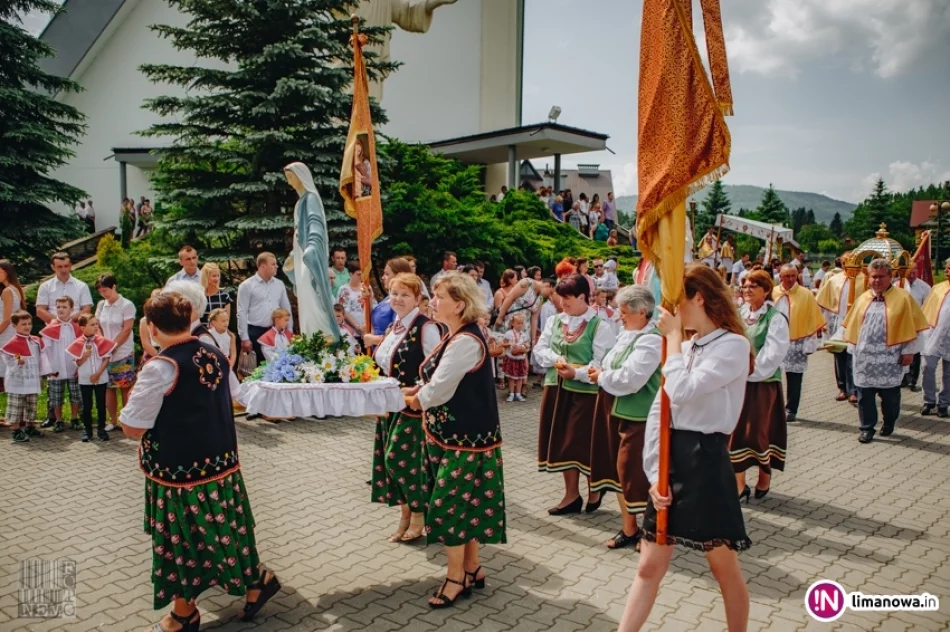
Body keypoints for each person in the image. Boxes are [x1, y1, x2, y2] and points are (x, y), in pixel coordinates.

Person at [120, 292, 280, 631]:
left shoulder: (160, 367)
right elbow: (237, 396)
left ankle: (184, 612)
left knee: (182, 540)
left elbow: (132, 427)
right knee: (229, 528)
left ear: (152, 327)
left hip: (181, 473)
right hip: (221, 465)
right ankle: (256, 580)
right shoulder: (215, 353)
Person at [618, 264, 752, 632]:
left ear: (700, 298)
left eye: (677, 303)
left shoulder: (733, 345)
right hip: (670, 456)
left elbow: (683, 390)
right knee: (648, 566)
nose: (671, 311)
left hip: (705, 460)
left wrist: (674, 338)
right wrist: (654, 474)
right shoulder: (685, 346)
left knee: (723, 567)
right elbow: (659, 412)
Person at [403, 272, 505, 609]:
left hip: (466, 441)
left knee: (448, 509)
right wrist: (416, 390)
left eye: (439, 296)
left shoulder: (465, 341)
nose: (433, 301)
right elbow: (440, 380)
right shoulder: (455, 334)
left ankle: (455, 577)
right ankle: (472, 567)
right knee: (467, 506)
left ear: (459, 304)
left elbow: (441, 388)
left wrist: (415, 399)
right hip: (454, 438)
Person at [534, 274, 617, 515]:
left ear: (582, 297)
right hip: (556, 388)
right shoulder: (556, 320)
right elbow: (540, 349)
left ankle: (595, 488)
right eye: (561, 298)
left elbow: (601, 363)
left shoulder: (599, 325)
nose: (563, 303)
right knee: (562, 442)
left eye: (567, 298)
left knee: (583, 443)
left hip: (586, 393)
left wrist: (576, 373)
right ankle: (571, 495)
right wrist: (556, 359)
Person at [370, 273, 443, 543]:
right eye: (394, 293)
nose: (398, 299)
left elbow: (436, 368)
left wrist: (416, 390)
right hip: (389, 406)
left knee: (400, 460)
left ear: (417, 298)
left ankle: (419, 515)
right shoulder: (394, 327)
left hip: (413, 406)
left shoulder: (425, 327)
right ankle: (405, 515)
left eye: (405, 294)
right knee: (392, 464)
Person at [587, 285, 662, 550]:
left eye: (624, 311)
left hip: (639, 415)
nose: (619, 316)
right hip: (613, 408)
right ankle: (629, 527)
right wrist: (593, 372)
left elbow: (632, 379)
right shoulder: (627, 334)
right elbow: (609, 365)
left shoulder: (652, 339)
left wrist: (602, 377)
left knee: (636, 471)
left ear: (642, 312)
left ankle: (651, 531)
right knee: (618, 471)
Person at [842, 259, 928, 443]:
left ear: (890, 276)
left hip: (890, 358)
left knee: (890, 397)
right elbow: (854, 326)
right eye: (873, 276)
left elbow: (913, 328)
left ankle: (889, 421)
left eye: (881, 276)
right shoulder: (863, 298)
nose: (877, 280)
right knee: (864, 395)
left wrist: (909, 351)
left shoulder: (903, 298)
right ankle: (867, 428)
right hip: (864, 358)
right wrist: (852, 349)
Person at [730, 270, 790, 501]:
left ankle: (765, 476)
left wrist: (748, 372)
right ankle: (739, 484)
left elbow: (773, 354)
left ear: (766, 291)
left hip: (762, 384)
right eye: (744, 286)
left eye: (753, 286)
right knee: (736, 432)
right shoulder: (739, 313)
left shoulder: (775, 318)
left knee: (759, 432)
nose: (747, 290)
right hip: (738, 382)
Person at [283, 162, 340, 340]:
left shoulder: (311, 198)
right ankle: (310, 335)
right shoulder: (300, 202)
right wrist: (293, 255)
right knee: (304, 294)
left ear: (301, 177)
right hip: (300, 252)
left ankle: (324, 332)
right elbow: (299, 231)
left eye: (290, 177)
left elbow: (315, 224)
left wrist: (313, 246)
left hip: (309, 252)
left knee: (312, 290)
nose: (289, 182)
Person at [772, 264, 824, 421]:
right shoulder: (773, 292)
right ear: (780, 277)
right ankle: (773, 408)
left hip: (797, 341)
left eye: (793, 276)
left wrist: (810, 341)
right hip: (775, 341)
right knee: (772, 376)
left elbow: (812, 317)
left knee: (794, 378)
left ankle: (791, 409)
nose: (790, 279)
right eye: (786, 276)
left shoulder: (806, 294)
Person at [95, 274, 136, 432]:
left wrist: (112, 346)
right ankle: (113, 421)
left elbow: (126, 329)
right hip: (105, 353)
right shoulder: (101, 305)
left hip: (123, 352)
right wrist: (103, 343)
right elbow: (98, 326)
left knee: (124, 387)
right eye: (100, 291)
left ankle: (127, 421)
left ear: (114, 287)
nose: (103, 294)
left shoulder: (126, 305)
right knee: (108, 387)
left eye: (105, 290)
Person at [2, 311, 50, 443]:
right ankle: (16, 430)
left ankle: (30, 426)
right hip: (18, 380)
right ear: (14, 326)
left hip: (32, 379)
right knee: (16, 405)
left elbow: (41, 360)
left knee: (31, 404)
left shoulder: (35, 341)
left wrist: (41, 375)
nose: (27, 326)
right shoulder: (12, 343)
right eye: (23, 324)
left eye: (29, 323)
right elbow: (11, 356)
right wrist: (18, 361)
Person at [237, 252, 293, 362]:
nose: (276, 266)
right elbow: (241, 312)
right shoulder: (246, 286)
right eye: (273, 264)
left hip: (276, 330)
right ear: (263, 266)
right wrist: (244, 338)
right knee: (260, 365)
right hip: (255, 331)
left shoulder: (279, 284)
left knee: (279, 362)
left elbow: (286, 307)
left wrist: (289, 329)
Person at [67, 315, 114, 442]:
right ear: (83, 328)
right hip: (85, 379)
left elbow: (107, 358)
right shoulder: (77, 343)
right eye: (92, 325)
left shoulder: (102, 341)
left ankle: (101, 429)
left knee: (101, 405)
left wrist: (98, 373)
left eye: (96, 324)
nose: (96, 327)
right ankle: (87, 430)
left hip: (100, 378)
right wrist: (84, 357)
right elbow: (76, 363)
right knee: (87, 405)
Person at [39, 297, 83, 432]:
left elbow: (81, 346)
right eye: (58, 307)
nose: (61, 309)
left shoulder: (76, 328)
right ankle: (58, 420)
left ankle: (74, 418)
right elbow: (45, 350)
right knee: (56, 396)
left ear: (71, 309)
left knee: (75, 394)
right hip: (56, 367)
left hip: (73, 366)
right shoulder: (50, 328)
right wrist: (47, 368)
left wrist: (80, 364)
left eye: (64, 307)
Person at [921, 258, 950, 418]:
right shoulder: (938, 288)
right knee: (927, 367)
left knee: (949, 374)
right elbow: (927, 309)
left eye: (949, 268)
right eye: (946, 268)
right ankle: (929, 400)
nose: (946, 271)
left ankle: (944, 403)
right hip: (933, 334)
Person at [0, 260, 26, 423]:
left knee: (7, 376)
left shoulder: (8, 291)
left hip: (5, 337)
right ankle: (16, 416)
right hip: (10, 336)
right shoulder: (16, 289)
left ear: (7, 272)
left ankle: (15, 417)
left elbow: (7, 318)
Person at [36, 252, 93, 324]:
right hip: (54, 328)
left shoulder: (82, 286)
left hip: (76, 328)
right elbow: (40, 311)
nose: (64, 270)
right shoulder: (45, 286)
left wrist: (69, 322)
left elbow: (87, 310)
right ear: (53, 267)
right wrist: (58, 323)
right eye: (60, 267)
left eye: (66, 266)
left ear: (70, 266)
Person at [898, 268, 931, 391]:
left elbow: (928, 305)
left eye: (914, 272)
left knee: (915, 352)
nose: (912, 275)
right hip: (901, 324)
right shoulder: (898, 284)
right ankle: (902, 379)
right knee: (901, 351)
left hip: (916, 323)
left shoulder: (924, 287)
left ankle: (912, 380)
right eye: (909, 272)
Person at [337, 260, 375, 334]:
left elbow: (372, 307)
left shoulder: (367, 287)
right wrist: (357, 327)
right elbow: (344, 312)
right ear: (351, 274)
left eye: (362, 274)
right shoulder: (344, 290)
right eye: (358, 274)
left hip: (367, 327)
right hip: (351, 330)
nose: (361, 276)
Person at [502, 313, 530, 402]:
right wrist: (510, 344)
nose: (520, 325)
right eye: (518, 323)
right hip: (511, 359)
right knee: (511, 378)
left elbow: (528, 346)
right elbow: (503, 344)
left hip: (520, 359)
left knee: (520, 377)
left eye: (522, 323)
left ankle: (518, 393)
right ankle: (511, 393)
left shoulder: (524, 335)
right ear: (512, 323)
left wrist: (526, 346)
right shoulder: (508, 333)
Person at [139, 289, 163, 366]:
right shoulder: (144, 320)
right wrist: (160, 356)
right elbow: (145, 343)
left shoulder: (170, 317)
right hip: (153, 352)